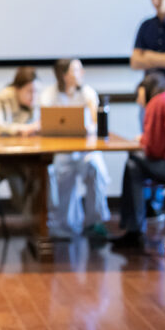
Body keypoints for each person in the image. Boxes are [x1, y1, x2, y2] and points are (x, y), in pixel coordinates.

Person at [110, 71, 165, 249]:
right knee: (134, 164)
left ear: (145, 90)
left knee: (133, 162)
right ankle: (140, 220)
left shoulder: (157, 102)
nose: (139, 102)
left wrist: (142, 140)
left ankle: (133, 230)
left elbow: (154, 149)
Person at [39, 58, 110, 239]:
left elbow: (96, 122)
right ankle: (61, 224)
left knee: (96, 168)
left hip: (85, 150)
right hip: (61, 152)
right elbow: (45, 124)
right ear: (64, 75)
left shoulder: (88, 93)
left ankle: (95, 222)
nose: (81, 73)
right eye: (76, 70)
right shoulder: (49, 95)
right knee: (59, 175)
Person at [0, 67, 40, 213]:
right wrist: (21, 129)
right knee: (16, 174)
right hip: (3, 158)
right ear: (17, 89)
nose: (33, 96)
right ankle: (28, 218)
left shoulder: (34, 101)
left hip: (27, 156)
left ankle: (42, 219)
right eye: (29, 91)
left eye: (35, 91)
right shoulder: (2, 98)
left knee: (43, 171)